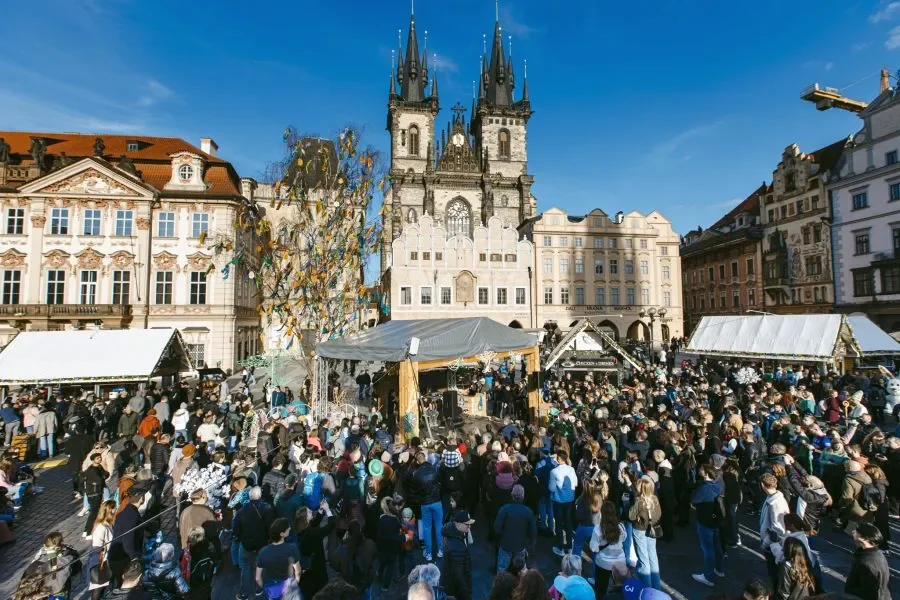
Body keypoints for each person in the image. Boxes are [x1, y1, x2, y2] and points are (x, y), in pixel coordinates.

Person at [234, 486, 275, 600]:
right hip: (261, 545)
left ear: (250, 497)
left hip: (246, 545)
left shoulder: (241, 511)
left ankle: (244, 593)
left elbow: (236, 529)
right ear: (260, 496)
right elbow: (270, 526)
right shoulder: (267, 508)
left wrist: (241, 537)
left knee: (245, 568)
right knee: (259, 567)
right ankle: (259, 588)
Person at [691, 464, 725, 587]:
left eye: (701, 469)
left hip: (704, 520)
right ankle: (719, 569)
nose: (699, 470)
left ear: (706, 473)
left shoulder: (704, 488)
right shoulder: (718, 485)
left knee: (708, 549)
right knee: (717, 546)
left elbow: (694, 500)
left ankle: (707, 575)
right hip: (716, 520)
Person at [628, 475, 662, 590]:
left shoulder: (639, 502)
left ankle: (648, 588)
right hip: (652, 530)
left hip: (640, 530)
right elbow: (659, 514)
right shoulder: (655, 499)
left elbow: (631, 516)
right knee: (653, 557)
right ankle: (656, 587)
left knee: (643, 560)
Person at [494, 484, 537, 573]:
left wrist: (501, 538)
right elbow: (533, 531)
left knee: (502, 569)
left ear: (512, 494)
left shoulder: (504, 509)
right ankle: (521, 586)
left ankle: (501, 586)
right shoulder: (528, 511)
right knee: (521, 570)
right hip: (521, 545)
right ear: (523, 496)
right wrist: (530, 544)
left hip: (505, 544)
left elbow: (497, 528)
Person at [758, 472, 789, 591]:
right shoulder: (773, 498)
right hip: (772, 544)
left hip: (773, 546)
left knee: (774, 574)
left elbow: (777, 530)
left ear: (762, 485)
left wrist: (765, 543)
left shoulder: (775, 504)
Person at [26, 531, 81, 599]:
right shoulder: (42, 555)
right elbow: (32, 571)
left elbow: (76, 568)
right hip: (45, 587)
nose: (50, 552)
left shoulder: (69, 552)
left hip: (62, 585)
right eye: (48, 549)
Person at [256, 518, 301, 600]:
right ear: (282, 534)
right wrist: (296, 582)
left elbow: (258, 578)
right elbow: (297, 571)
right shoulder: (292, 548)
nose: (290, 528)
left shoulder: (263, 552)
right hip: (289, 587)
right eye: (288, 528)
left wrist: (265, 588)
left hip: (272, 589)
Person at [589, 501, 626, 599]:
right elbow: (624, 539)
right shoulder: (620, 527)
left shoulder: (598, 529)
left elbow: (593, 548)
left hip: (603, 563)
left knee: (600, 589)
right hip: (620, 562)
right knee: (620, 590)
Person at [845, 522, 891, 600]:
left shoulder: (866, 562)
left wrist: (850, 590)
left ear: (864, 538)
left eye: (856, 531)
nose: (853, 532)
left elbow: (870, 593)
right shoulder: (876, 554)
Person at [549, 450, 578, 556]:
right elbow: (575, 483)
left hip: (558, 500)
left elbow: (551, 488)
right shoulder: (571, 469)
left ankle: (560, 547)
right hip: (569, 500)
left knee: (559, 524)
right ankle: (569, 546)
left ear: (559, 459)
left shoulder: (554, 471)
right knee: (568, 522)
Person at [442, 510, 475, 600]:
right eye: (467, 524)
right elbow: (459, 576)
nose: (469, 526)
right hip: (458, 590)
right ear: (458, 524)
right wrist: (467, 595)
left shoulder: (451, 532)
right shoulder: (457, 548)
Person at [86, 500, 116, 600]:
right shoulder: (101, 527)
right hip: (99, 561)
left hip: (105, 559)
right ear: (109, 511)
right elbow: (97, 546)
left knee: (101, 586)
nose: (116, 510)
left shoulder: (108, 524)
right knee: (98, 587)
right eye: (114, 508)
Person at [83, 452, 110, 539]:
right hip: (94, 494)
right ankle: (88, 533)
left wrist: (103, 476)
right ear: (93, 460)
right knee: (93, 513)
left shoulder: (99, 467)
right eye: (97, 458)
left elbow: (106, 474)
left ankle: (86, 530)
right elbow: (100, 480)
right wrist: (103, 477)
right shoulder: (91, 470)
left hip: (98, 492)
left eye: (100, 458)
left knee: (93, 512)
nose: (100, 459)